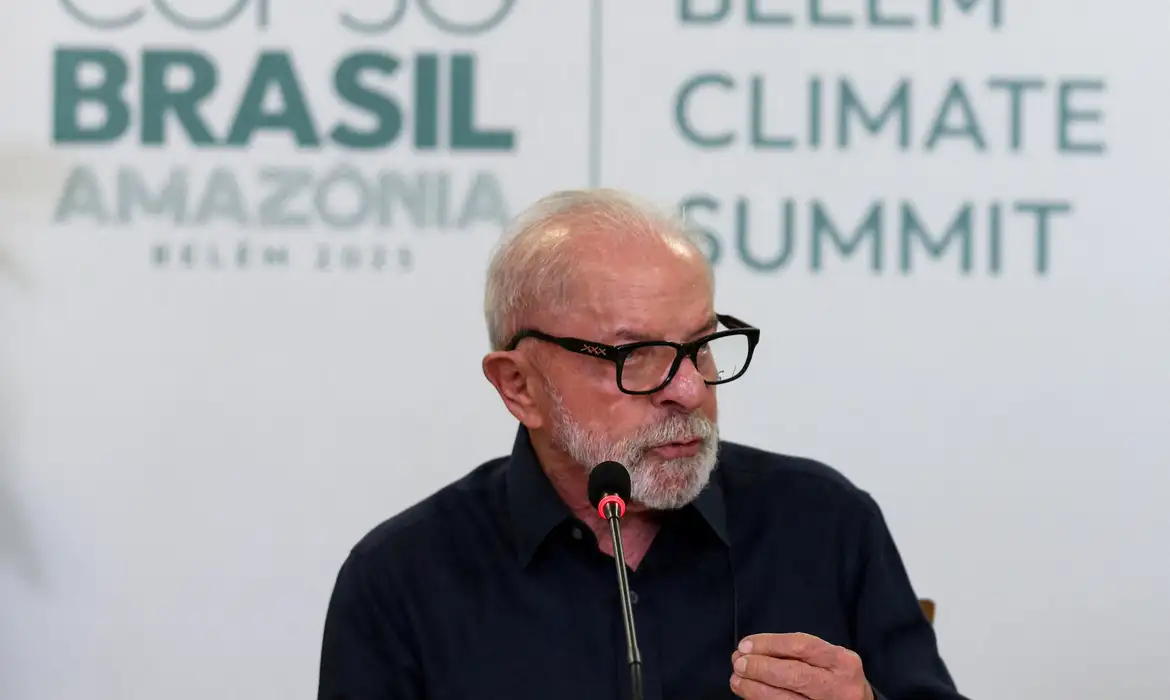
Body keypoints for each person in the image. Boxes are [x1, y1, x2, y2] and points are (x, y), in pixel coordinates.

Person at [317, 189, 969, 700]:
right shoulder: (402, 579)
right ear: (519, 386)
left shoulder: (824, 524)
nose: (688, 389)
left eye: (701, 346)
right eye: (638, 356)